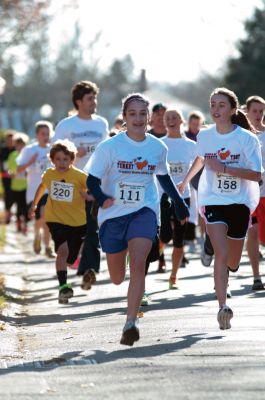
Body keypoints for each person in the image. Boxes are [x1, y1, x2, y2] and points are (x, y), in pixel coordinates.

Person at [86, 93, 189, 346]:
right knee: (117, 277)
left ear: (149, 117)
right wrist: (102, 198)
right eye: (132, 114)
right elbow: (92, 180)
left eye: (143, 114)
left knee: (140, 263)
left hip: (144, 210)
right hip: (113, 214)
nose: (138, 119)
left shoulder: (157, 147)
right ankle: (129, 309)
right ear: (124, 117)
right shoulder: (109, 147)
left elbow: (163, 177)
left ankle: (131, 321)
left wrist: (179, 202)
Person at [178, 87, 262, 330]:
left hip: (240, 203)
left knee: (233, 262)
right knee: (221, 252)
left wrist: (225, 169)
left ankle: (220, 258)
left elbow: (257, 175)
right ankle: (222, 307)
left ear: (233, 110)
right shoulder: (205, 136)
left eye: (221, 105)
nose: (215, 109)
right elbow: (202, 159)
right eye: (213, 105)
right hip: (213, 199)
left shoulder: (247, 139)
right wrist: (185, 180)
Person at [52, 80, 109, 287]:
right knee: (74, 231)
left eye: (95, 97)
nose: (94, 102)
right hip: (70, 185)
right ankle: (74, 262)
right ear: (78, 101)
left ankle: (89, 269)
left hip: (94, 182)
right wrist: (73, 153)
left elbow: (106, 151)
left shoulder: (101, 123)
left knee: (92, 228)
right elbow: (54, 153)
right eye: (90, 98)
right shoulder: (66, 126)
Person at [28, 140, 92, 304]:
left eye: (65, 159)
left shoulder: (79, 176)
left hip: (77, 222)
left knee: (71, 258)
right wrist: (34, 204)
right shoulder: (49, 174)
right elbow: (42, 187)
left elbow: (93, 189)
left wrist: (90, 196)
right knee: (62, 251)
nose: (61, 163)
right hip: (55, 219)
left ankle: (72, 264)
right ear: (52, 160)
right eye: (58, 159)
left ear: (72, 160)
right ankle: (63, 287)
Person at [158, 108, 196, 289]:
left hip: (183, 197)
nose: (171, 120)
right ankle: (155, 257)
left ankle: (173, 275)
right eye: (168, 118)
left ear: (182, 121)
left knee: (179, 238)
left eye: (175, 117)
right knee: (163, 235)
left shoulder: (191, 145)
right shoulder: (159, 144)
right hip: (161, 197)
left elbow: (199, 168)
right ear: (164, 122)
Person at [16, 121, 54, 257]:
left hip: (48, 191)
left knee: (46, 216)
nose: (46, 136)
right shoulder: (29, 150)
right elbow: (18, 170)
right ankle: (37, 236)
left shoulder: (54, 149)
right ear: (37, 135)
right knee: (40, 220)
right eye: (43, 133)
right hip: (33, 193)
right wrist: (30, 162)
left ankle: (48, 246)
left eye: (48, 133)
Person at [245, 95, 265, 290]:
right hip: (250, 194)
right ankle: (256, 277)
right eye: (255, 111)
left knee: (263, 238)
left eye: (261, 111)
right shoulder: (241, 136)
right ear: (247, 111)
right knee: (252, 233)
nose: (258, 115)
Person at [148, 102, 168, 272]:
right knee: (154, 230)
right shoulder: (145, 137)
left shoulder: (173, 137)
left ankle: (160, 253)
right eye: (158, 115)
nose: (161, 119)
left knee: (167, 233)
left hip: (168, 191)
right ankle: (160, 258)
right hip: (150, 192)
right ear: (151, 117)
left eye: (164, 115)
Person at [7, 133, 29, 234]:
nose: (20, 147)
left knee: (25, 206)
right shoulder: (12, 155)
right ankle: (18, 223)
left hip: (26, 185)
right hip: (15, 186)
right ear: (15, 145)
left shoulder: (28, 155)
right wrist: (13, 172)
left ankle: (25, 224)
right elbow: (11, 169)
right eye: (18, 144)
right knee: (18, 207)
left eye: (22, 144)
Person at [0, 131, 15, 224]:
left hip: (15, 177)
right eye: (8, 140)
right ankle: (8, 213)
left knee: (15, 195)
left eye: (11, 140)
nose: (10, 142)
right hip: (5, 176)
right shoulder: (2, 149)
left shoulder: (16, 150)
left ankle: (15, 214)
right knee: (7, 195)